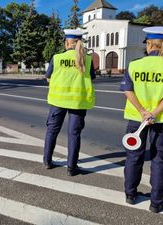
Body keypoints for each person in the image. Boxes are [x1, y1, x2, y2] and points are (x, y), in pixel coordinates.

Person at [120, 26, 163, 213]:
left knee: (133, 156)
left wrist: (142, 111)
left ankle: (130, 194)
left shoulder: (135, 65)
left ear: (149, 44)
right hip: (161, 120)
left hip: (136, 118)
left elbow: (127, 90)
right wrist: (154, 113)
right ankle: (157, 202)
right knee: (159, 159)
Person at [43, 28, 96, 176]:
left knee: (52, 131)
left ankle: (47, 161)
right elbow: (90, 78)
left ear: (67, 42)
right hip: (78, 103)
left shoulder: (57, 58)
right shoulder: (87, 59)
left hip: (58, 101)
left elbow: (48, 78)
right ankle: (71, 168)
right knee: (74, 134)